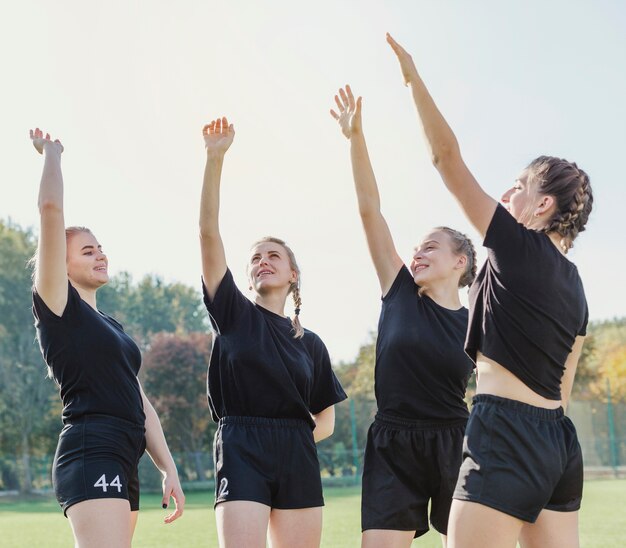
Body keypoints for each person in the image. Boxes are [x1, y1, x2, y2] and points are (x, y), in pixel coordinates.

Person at [387, 34, 593, 548]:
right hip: (558, 445)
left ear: (542, 206)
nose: (506, 196)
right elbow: (562, 392)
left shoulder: (517, 246)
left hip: (505, 434)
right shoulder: (579, 288)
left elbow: (446, 159)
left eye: (518, 188)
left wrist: (413, 79)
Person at [331, 86, 476, 547]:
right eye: (416, 248)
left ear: (460, 262)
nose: (417, 254)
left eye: (430, 247)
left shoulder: (479, 322)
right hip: (393, 443)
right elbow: (369, 210)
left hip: (457, 442)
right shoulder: (398, 294)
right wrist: (356, 138)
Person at [30, 128, 185, 547]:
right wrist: (52, 154)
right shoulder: (58, 307)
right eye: (87, 251)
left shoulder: (112, 327)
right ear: (58, 266)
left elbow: (139, 400)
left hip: (125, 451)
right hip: (91, 445)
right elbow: (50, 209)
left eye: (101, 248)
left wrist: (167, 466)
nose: (100, 254)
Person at [199, 116, 347, 548]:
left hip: (297, 453)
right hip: (242, 443)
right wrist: (215, 159)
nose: (263, 260)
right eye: (256, 257)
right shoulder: (234, 314)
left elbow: (327, 419)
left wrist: (294, 439)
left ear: (293, 274)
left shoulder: (311, 343)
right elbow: (208, 235)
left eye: (273, 255)